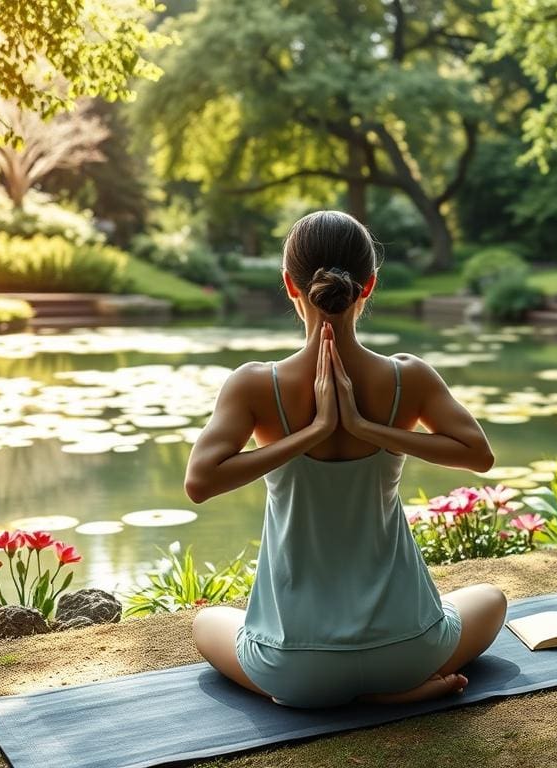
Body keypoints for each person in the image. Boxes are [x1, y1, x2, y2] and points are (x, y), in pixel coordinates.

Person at [184, 210, 508, 707]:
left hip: (294, 665)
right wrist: (367, 430)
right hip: (409, 650)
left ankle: (315, 695)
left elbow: (199, 483)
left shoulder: (253, 384)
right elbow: (478, 456)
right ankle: (392, 692)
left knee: (207, 622)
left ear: (290, 285)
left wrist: (312, 434)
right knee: (491, 599)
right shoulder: (408, 377)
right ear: (369, 285)